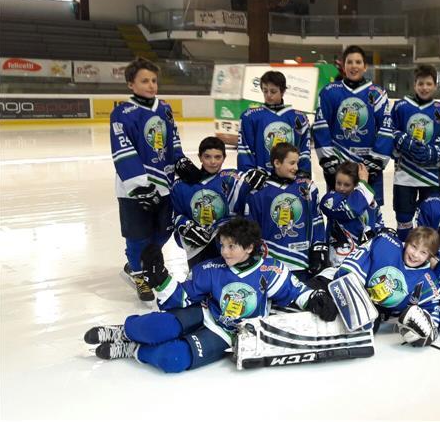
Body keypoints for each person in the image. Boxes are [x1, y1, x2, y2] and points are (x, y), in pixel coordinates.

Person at [82, 218, 337, 372]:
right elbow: (181, 298)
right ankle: (123, 332)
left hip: (229, 333)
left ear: (249, 247)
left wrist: (315, 298)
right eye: (222, 245)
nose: (224, 252)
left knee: (174, 359)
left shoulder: (271, 270)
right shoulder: (210, 268)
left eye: (231, 246)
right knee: (160, 327)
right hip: (205, 312)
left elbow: (296, 291)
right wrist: (161, 279)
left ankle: (133, 349)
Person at [109, 57, 202, 301]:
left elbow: (173, 138)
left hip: (165, 185)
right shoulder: (122, 113)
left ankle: (143, 262)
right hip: (134, 190)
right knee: (137, 235)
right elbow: (123, 150)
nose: (151, 85)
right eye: (144, 81)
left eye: (153, 80)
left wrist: (180, 161)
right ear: (131, 84)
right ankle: (139, 273)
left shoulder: (164, 108)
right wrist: (140, 186)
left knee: (163, 231)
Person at [334, 227, 440, 347]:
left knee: (368, 326)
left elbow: (432, 311)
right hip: (357, 292)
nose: (415, 255)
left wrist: (428, 331)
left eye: (423, 252)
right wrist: (350, 290)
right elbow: (349, 270)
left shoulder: (428, 280)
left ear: (429, 257)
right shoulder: (386, 244)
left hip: (377, 313)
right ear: (407, 242)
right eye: (414, 246)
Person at [312, 45, 392, 206]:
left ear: (365, 66)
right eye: (349, 62)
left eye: (358, 62)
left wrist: (374, 162)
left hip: (367, 166)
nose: (353, 66)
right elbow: (321, 126)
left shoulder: (377, 93)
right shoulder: (329, 91)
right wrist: (329, 161)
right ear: (343, 66)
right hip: (338, 167)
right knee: (337, 211)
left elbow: (386, 129)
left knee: (369, 213)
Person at [171, 136, 267, 268]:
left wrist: (259, 177)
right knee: (201, 277)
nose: (213, 162)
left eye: (218, 157)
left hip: (228, 244)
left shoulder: (233, 178)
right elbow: (175, 214)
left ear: (224, 157)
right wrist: (185, 226)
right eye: (207, 157)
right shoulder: (181, 185)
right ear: (199, 157)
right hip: (198, 247)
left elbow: (252, 190)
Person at [246, 143, 328, 283]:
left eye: (297, 163)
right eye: (292, 163)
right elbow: (252, 230)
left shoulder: (307, 187)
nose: (296, 167)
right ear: (277, 163)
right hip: (270, 263)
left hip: (302, 261)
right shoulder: (258, 192)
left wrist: (318, 248)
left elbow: (317, 220)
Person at [390, 64, 440, 241]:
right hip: (404, 175)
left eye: (429, 84)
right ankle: (404, 249)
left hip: (431, 176)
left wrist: (434, 152)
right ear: (414, 85)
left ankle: (428, 252)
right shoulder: (401, 106)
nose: (424, 88)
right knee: (403, 219)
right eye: (421, 83)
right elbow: (389, 131)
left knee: (431, 218)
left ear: (435, 85)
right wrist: (404, 142)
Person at [237, 71, 311, 177]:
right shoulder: (250, 117)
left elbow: (304, 149)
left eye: (273, 91)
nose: (268, 95)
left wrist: (304, 171)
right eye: (265, 91)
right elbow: (245, 149)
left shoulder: (299, 118)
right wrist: (249, 173)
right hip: (261, 179)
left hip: (291, 177)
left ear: (283, 91)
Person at [319, 161, 384, 267]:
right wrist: (363, 182)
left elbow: (379, 226)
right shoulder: (330, 200)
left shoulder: (371, 202)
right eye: (338, 183)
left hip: (364, 258)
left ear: (356, 186)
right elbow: (353, 209)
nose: (341, 188)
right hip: (337, 261)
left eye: (347, 185)